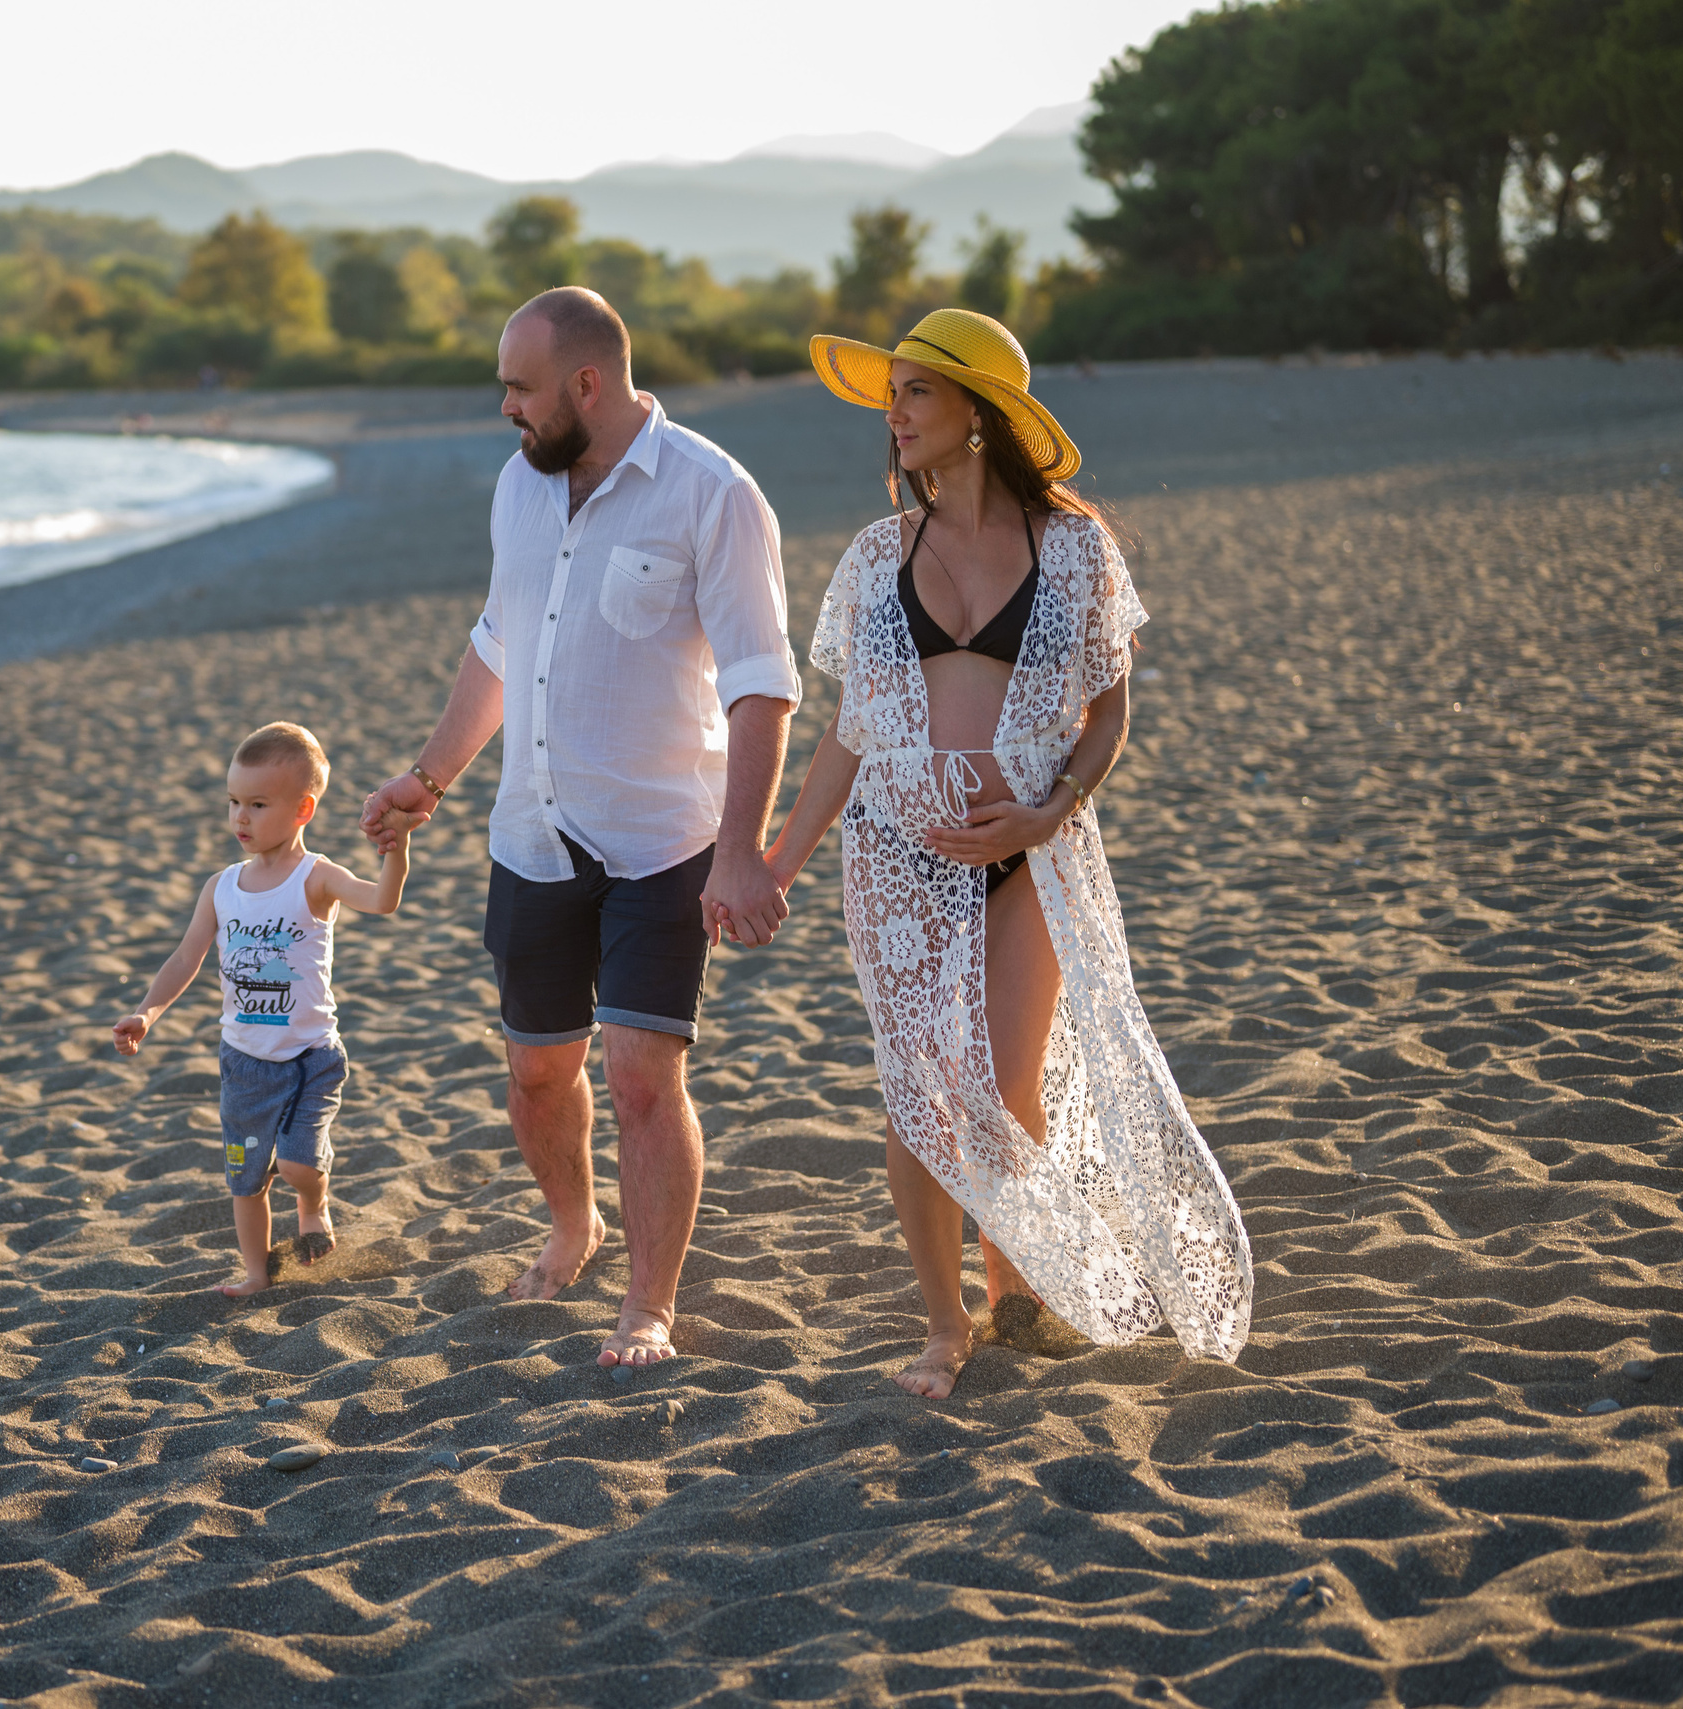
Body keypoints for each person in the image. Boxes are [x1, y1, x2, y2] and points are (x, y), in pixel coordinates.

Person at [763, 308, 1252, 1398]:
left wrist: (1049, 812)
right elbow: (852, 731)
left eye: (917, 394)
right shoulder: (878, 553)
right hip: (897, 854)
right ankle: (945, 1325)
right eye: (892, 394)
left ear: (979, 415)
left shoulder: (1074, 550)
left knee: (1008, 1086)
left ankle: (1015, 1286)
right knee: (918, 1097)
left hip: (1030, 848)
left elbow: (1108, 715)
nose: (893, 414)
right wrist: (776, 859)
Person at [362, 287, 799, 1369]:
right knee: (535, 1074)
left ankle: (647, 1304)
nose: (505, 408)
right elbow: (499, 642)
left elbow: (760, 687)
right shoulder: (520, 485)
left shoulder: (714, 494)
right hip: (531, 835)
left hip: (663, 842)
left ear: (586, 385)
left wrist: (741, 847)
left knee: (643, 1077)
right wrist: (431, 774)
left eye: (520, 387)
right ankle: (575, 1221)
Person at [114, 722, 409, 1297]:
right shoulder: (221, 887)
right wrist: (148, 1012)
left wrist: (394, 855)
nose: (239, 818)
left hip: (310, 1057)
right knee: (246, 1181)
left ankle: (313, 1203)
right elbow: (185, 957)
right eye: (233, 803)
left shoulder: (316, 877)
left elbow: (381, 900)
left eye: (256, 804)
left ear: (303, 809)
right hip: (245, 1062)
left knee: (297, 1167)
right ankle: (256, 1272)